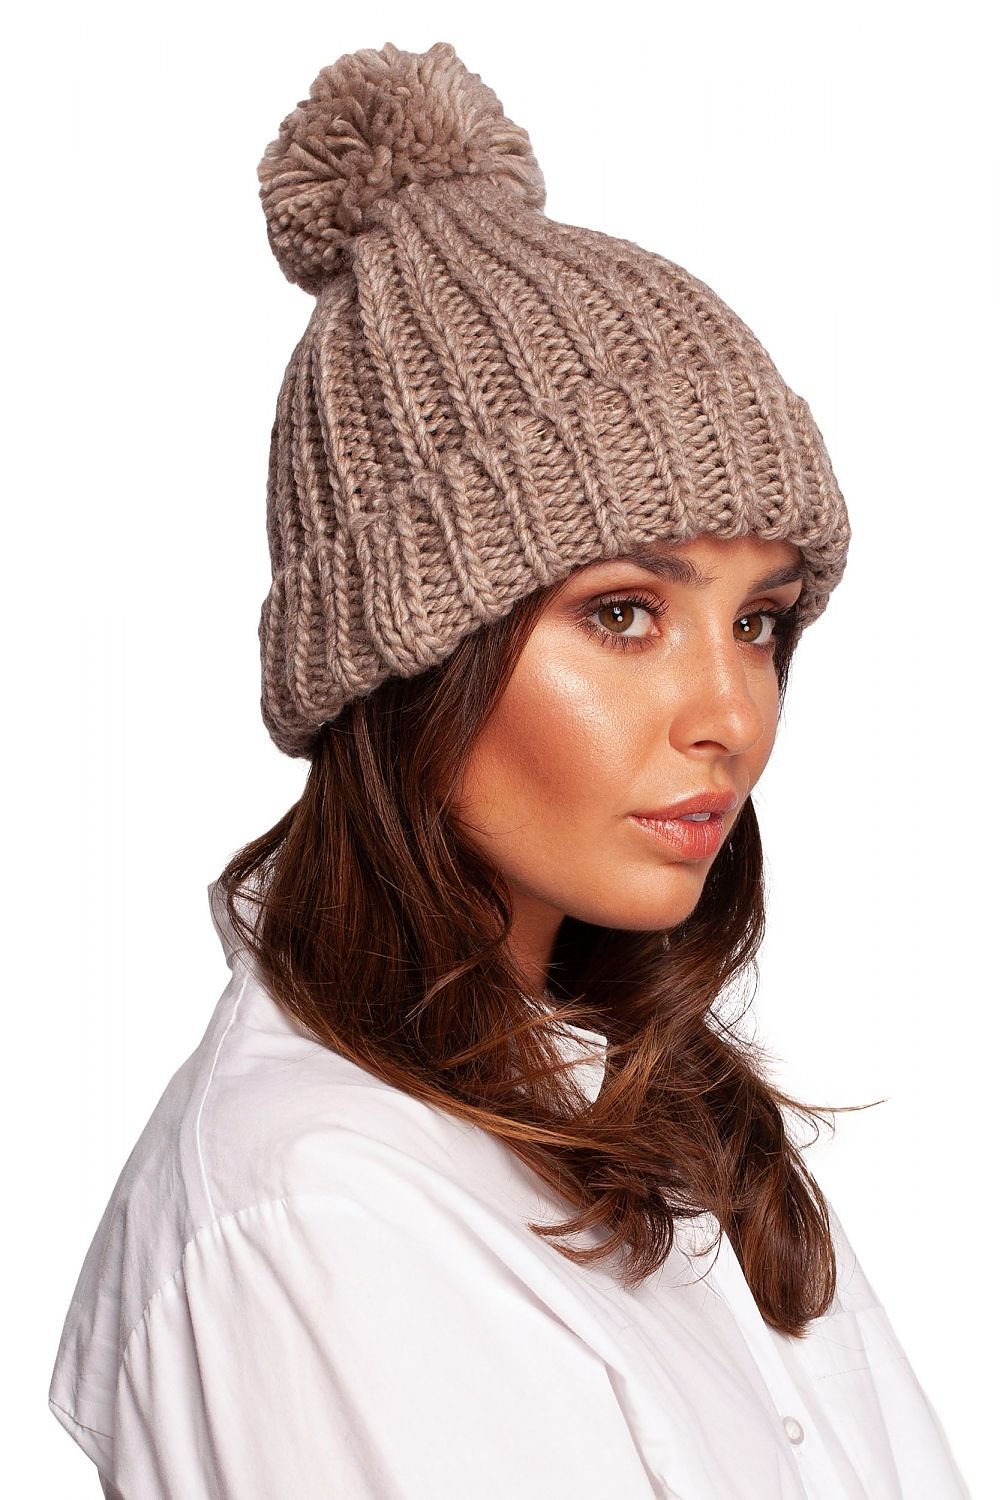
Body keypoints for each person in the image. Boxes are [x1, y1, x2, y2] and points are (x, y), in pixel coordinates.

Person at [48, 39, 970, 1499]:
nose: (730, 714)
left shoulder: (679, 1123)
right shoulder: (319, 1215)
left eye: (758, 622)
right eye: (625, 614)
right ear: (409, 653)